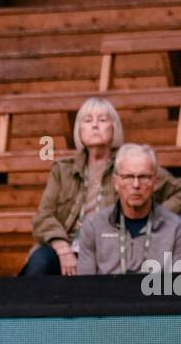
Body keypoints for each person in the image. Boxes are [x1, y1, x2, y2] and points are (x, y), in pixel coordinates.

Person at [22, 97, 181, 275]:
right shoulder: (63, 169)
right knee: (40, 263)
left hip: (109, 243)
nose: (95, 125)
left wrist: (156, 214)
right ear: (79, 130)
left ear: (114, 128)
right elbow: (43, 216)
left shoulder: (128, 165)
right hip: (65, 244)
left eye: (102, 120)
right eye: (88, 120)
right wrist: (62, 248)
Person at [77, 143, 181, 275]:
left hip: (156, 294)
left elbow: (176, 288)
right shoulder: (93, 226)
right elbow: (85, 287)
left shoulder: (176, 228)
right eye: (128, 177)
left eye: (143, 177)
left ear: (154, 182)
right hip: (106, 295)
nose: (136, 185)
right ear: (116, 183)